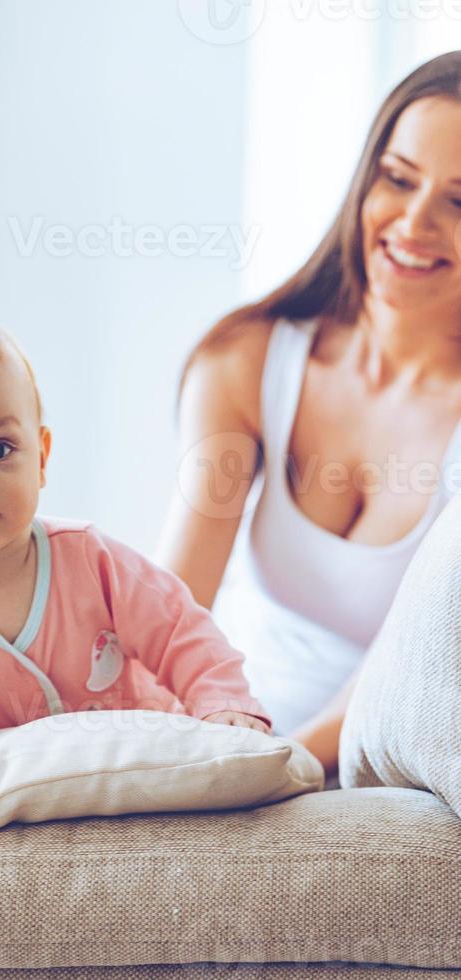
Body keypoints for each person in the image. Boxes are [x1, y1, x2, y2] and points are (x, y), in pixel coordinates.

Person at [0, 307, 271, 835]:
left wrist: (222, 705)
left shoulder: (88, 555)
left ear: (40, 456)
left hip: (127, 768)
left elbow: (181, 628)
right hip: (4, 793)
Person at [155, 51, 461, 782]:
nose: (412, 224)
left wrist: (277, 763)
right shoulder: (246, 362)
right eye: (397, 179)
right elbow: (168, 612)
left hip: (361, 775)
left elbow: (396, 670)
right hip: (222, 733)